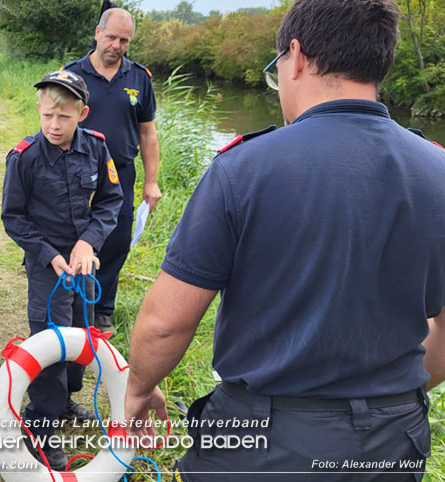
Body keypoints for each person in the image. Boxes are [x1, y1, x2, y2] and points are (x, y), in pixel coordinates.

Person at [124, 1, 445, 481]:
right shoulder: (438, 172)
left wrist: (138, 388)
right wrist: (397, 400)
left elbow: (167, 323)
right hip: (393, 443)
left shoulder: (243, 168)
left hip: (263, 442)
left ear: (296, 56)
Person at [1, 70, 123, 470]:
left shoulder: (98, 149)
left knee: (81, 334)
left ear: (82, 114)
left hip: (84, 263)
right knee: (50, 341)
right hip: (46, 265)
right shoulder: (24, 157)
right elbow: (13, 218)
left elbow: (110, 201)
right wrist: (49, 254)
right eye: (49, 114)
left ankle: (68, 399)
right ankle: (41, 427)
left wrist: (88, 242)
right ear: (39, 107)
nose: (55, 125)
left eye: (65, 117)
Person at [64, 7, 162, 335]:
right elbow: (57, 122)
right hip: (78, 172)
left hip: (120, 173)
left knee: (116, 240)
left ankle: (102, 309)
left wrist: (151, 182)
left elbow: (148, 133)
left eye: (124, 40)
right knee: (76, 236)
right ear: (97, 33)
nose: (116, 45)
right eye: (111, 37)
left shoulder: (139, 78)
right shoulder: (71, 75)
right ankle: (74, 307)